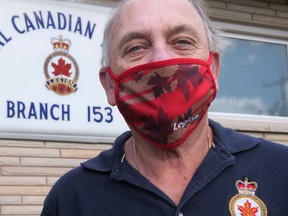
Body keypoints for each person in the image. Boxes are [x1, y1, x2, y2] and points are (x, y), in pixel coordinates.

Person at [41, 0, 288, 215]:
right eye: (136, 47)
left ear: (213, 68)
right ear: (109, 84)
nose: (161, 59)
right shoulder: (71, 199)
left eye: (182, 41)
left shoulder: (280, 170)